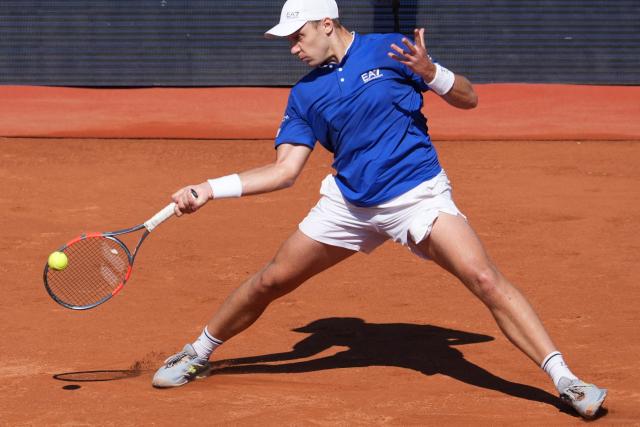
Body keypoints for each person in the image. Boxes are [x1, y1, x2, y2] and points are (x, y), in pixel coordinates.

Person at [152, 0, 607, 419]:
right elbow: (284, 171)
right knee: (271, 279)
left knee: (484, 277)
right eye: (289, 39)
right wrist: (209, 188)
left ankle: (566, 379)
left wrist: (432, 73)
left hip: (418, 196)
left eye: (298, 35)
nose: (293, 47)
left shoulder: (392, 51)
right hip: (350, 204)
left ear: (326, 24)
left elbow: (469, 98)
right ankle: (198, 352)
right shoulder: (305, 94)